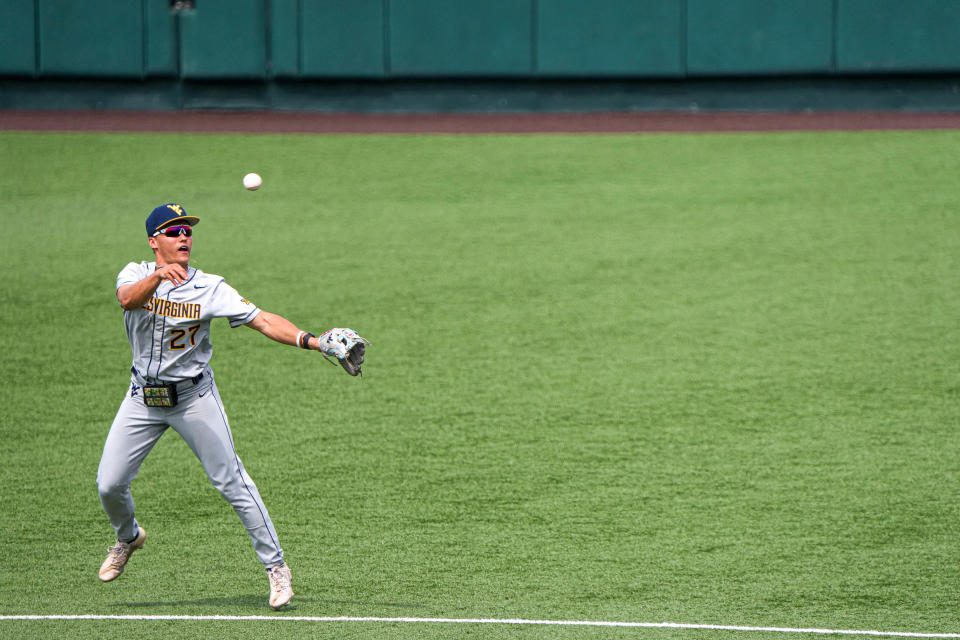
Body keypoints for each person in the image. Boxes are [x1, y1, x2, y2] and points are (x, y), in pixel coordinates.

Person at [97, 203, 344, 609]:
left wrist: (312, 340)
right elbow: (127, 301)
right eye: (173, 231)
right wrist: (158, 276)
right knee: (109, 483)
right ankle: (128, 537)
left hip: (194, 399)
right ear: (153, 240)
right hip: (142, 398)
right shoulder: (135, 273)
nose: (183, 238)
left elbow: (261, 319)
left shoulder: (210, 287)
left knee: (233, 482)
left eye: (187, 231)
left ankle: (277, 569)